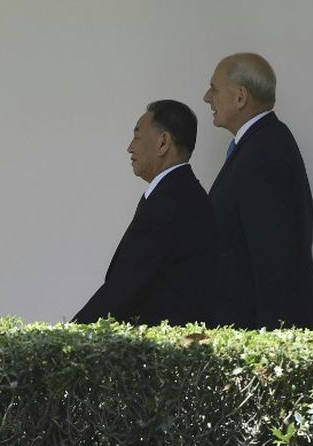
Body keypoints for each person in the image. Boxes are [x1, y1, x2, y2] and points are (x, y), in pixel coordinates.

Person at [203, 53, 313, 330]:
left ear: (240, 97)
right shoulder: (262, 144)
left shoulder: (263, 153)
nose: (207, 98)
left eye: (214, 88)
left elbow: (275, 260)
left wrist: (270, 344)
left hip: (262, 337)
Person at [73, 100, 216, 326]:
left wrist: (69, 336)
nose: (130, 147)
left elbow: (125, 288)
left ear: (163, 142)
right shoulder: (179, 192)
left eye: (137, 137)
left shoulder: (170, 201)